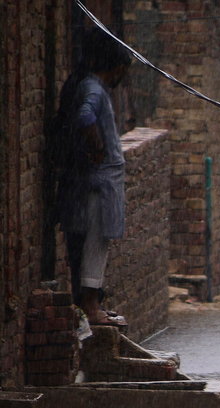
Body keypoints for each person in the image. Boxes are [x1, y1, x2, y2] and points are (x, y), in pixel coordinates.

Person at [53, 28, 132, 327]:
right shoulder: (95, 89)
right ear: (114, 68)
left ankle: (91, 303)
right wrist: (96, 144)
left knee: (94, 243)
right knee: (95, 244)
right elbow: (85, 116)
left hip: (97, 182)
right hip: (100, 184)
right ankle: (90, 306)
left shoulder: (89, 85)